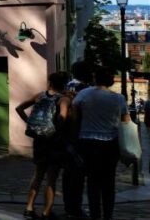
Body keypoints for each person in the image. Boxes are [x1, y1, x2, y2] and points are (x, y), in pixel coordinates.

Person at [72, 66, 129, 220]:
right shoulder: (119, 98)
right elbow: (126, 122)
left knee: (92, 182)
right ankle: (108, 216)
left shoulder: (84, 94)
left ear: (95, 78)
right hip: (111, 144)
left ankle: (95, 215)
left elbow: (74, 115)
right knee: (109, 182)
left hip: (88, 142)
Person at [16, 72, 70, 220]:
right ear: (64, 84)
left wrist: (30, 123)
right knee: (51, 179)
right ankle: (46, 212)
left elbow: (19, 108)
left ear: (50, 83)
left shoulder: (40, 95)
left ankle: (29, 207)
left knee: (38, 175)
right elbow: (63, 117)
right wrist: (58, 131)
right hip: (54, 143)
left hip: (39, 141)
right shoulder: (64, 99)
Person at [62, 61, 93, 219]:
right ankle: (76, 207)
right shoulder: (86, 90)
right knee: (78, 175)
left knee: (68, 175)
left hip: (65, 135)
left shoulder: (67, 86)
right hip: (80, 134)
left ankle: (68, 206)